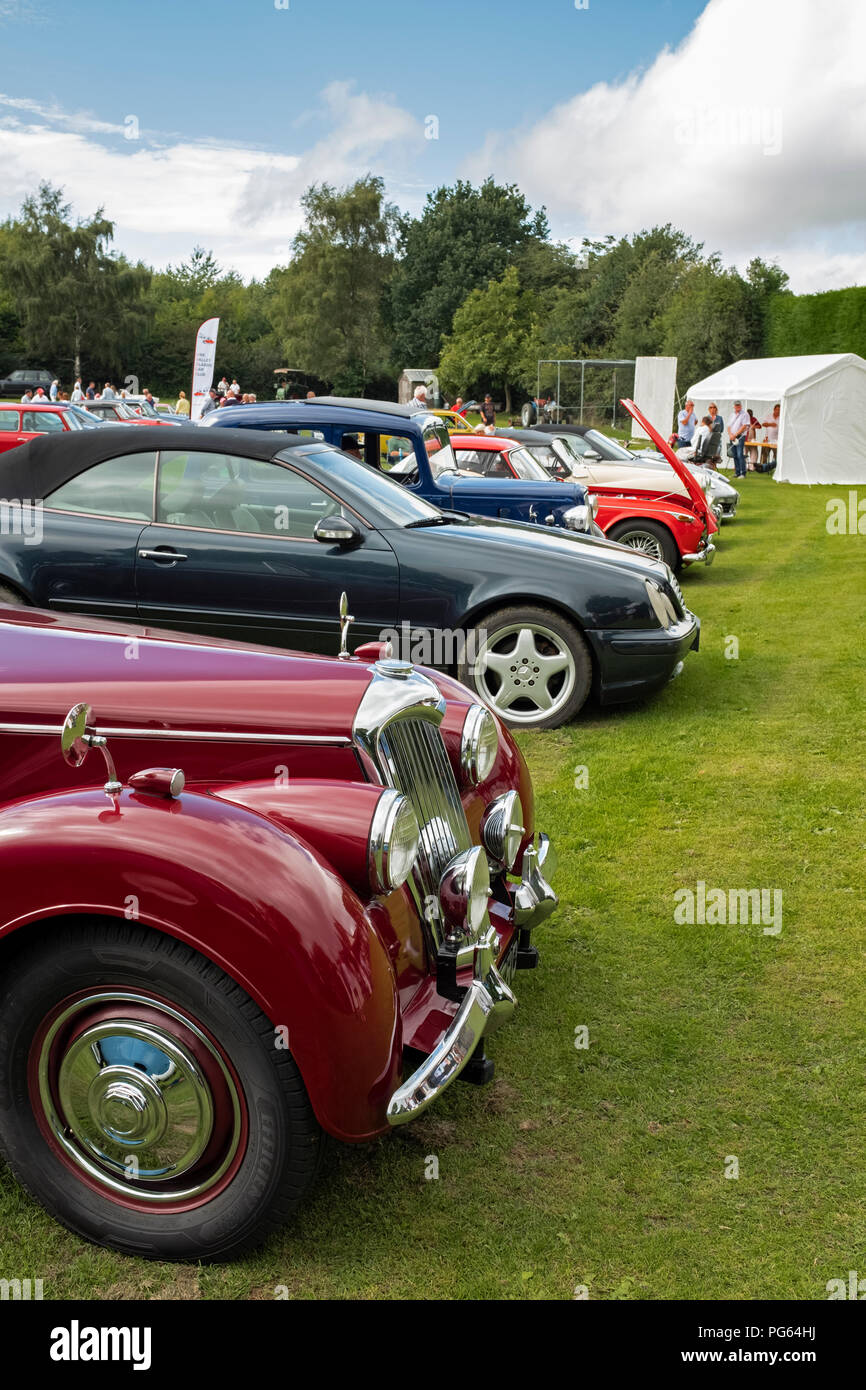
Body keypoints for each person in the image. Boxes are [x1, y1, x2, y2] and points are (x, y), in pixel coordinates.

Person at [727, 400, 749, 479]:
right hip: (732, 436)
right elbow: (728, 426)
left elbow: (744, 426)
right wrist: (730, 435)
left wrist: (735, 435)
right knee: (735, 455)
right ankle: (737, 472)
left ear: (741, 406)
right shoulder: (732, 414)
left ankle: (742, 473)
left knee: (740, 454)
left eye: (738, 405)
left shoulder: (744, 414)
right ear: (734, 406)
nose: (737, 407)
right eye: (736, 405)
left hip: (740, 436)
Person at [761, 403, 781, 469]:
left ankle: (774, 467)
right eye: (777, 409)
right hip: (767, 439)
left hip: (776, 440)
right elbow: (763, 424)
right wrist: (771, 424)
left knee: (777, 454)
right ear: (774, 410)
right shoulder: (768, 416)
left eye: (779, 410)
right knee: (765, 454)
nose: (778, 411)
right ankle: (764, 467)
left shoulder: (781, 418)